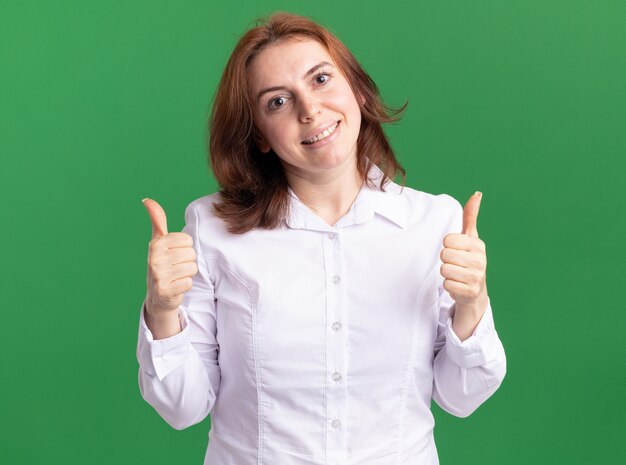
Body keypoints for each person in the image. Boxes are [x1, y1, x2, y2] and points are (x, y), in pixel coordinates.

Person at [137, 11, 506, 465]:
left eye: (321, 78)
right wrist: (162, 310)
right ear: (261, 137)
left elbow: (462, 397)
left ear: (356, 89)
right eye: (277, 102)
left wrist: (472, 305)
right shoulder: (212, 228)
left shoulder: (435, 222)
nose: (309, 110)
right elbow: (182, 408)